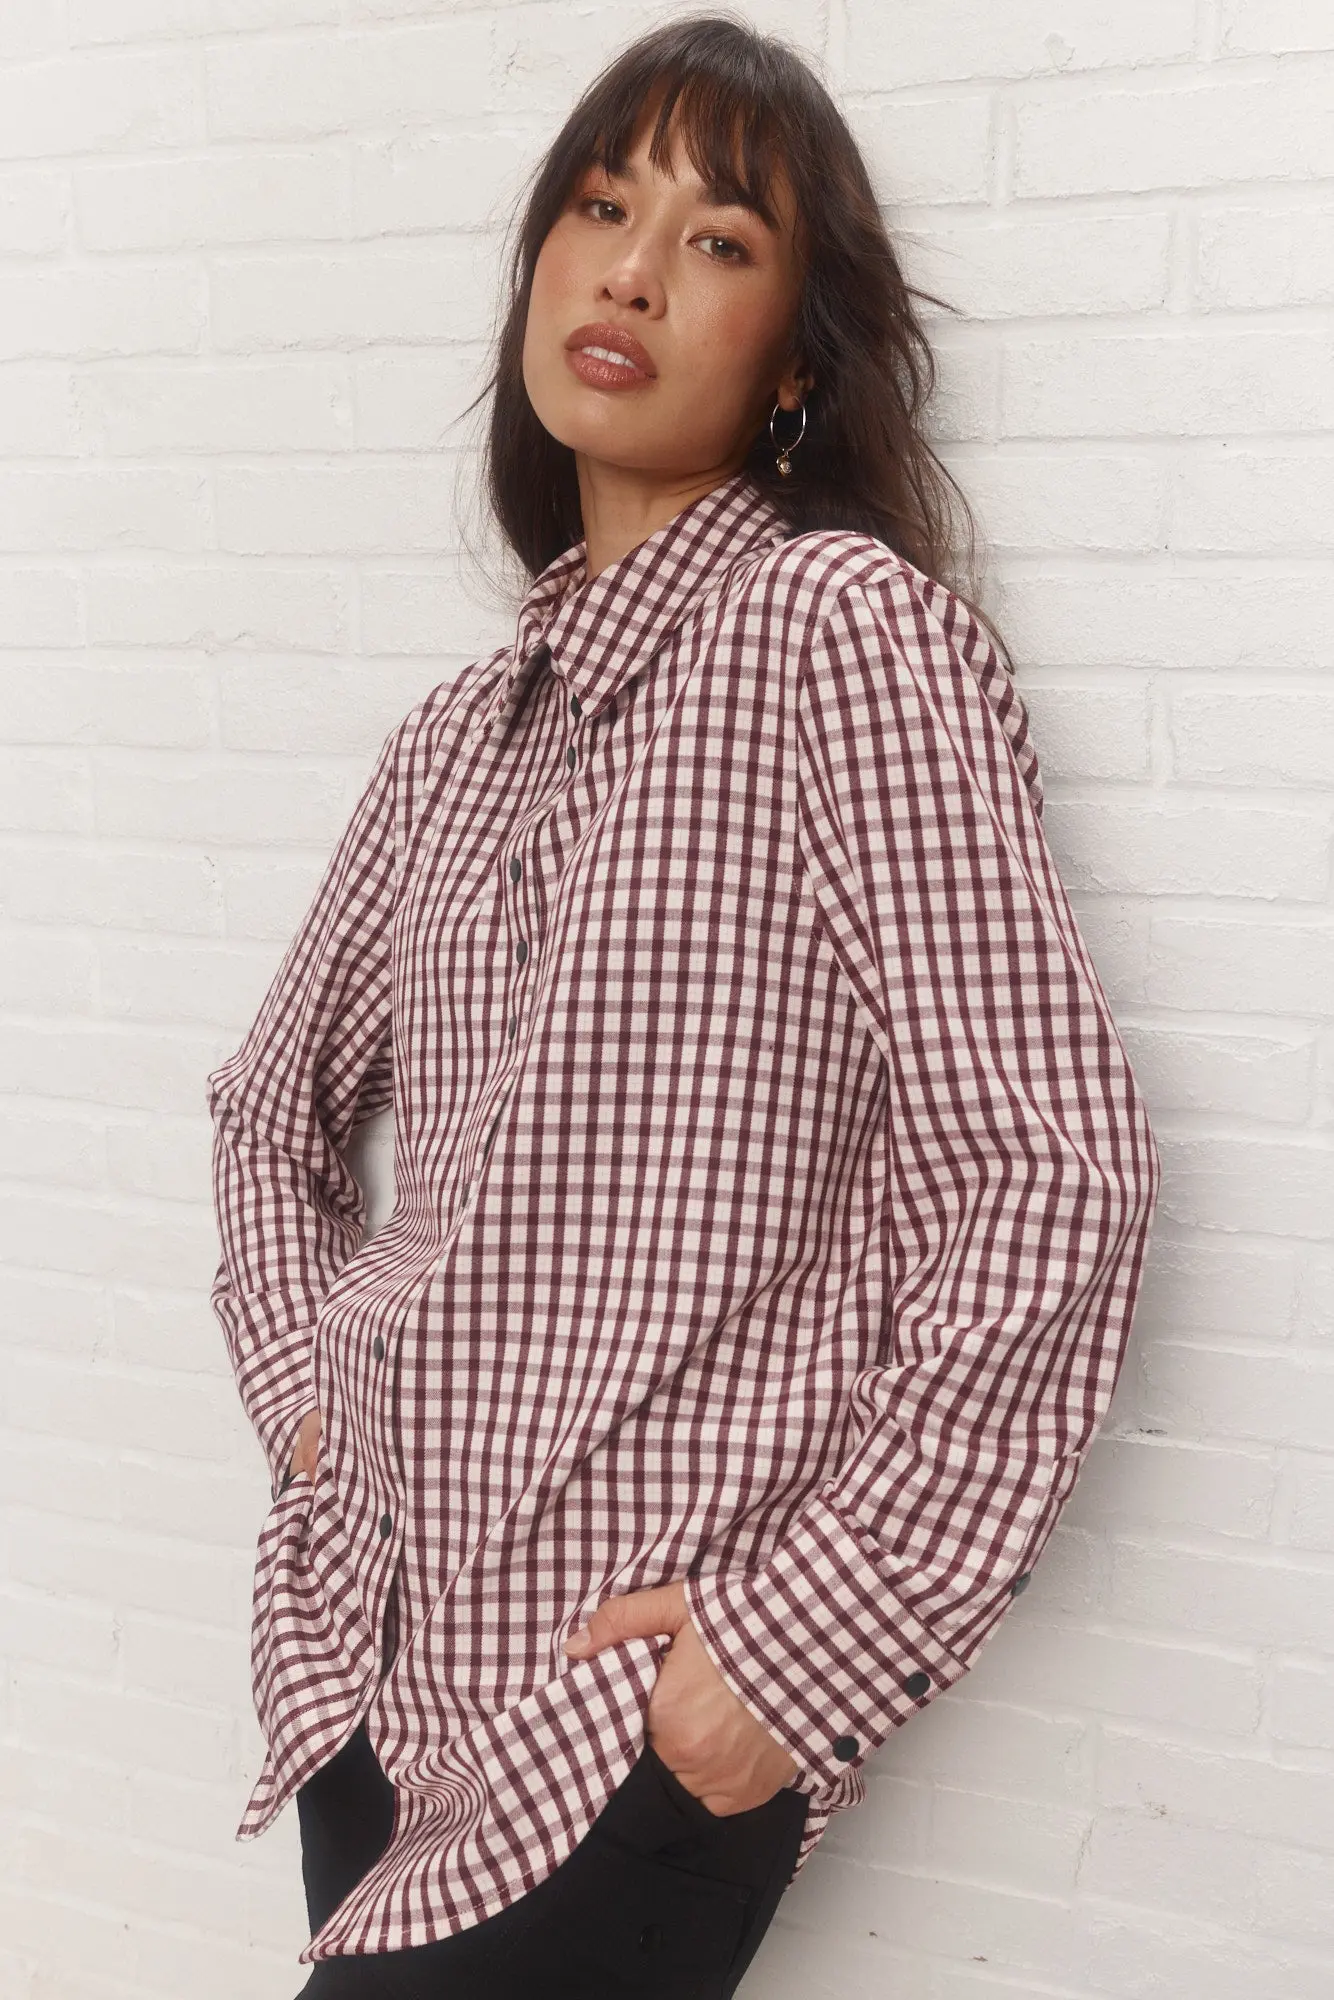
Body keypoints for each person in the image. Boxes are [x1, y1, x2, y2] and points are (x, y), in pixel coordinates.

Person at [205, 14, 1161, 1997]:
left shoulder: (840, 638)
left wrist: (804, 1643)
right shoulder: (454, 741)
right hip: (368, 1662)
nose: (633, 271)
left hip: (610, 1714)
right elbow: (265, 1110)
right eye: (598, 207)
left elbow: (1048, 1173)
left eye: (720, 241)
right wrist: (309, 1417)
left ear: (796, 358)